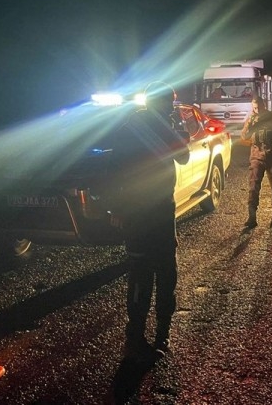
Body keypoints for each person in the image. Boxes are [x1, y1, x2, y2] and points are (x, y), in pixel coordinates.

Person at [113, 81, 190, 364]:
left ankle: (137, 334)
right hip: (156, 210)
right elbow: (183, 156)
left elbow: (115, 169)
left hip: (138, 210)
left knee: (140, 272)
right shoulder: (162, 127)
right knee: (164, 271)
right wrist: (177, 127)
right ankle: (160, 334)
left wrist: (117, 208)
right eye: (170, 103)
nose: (172, 107)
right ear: (165, 103)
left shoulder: (131, 125)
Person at [240, 95, 272, 228]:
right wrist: (251, 125)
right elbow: (244, 136)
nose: (257, 110)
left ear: (264, 105)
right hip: (257, 155)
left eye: (258, 107)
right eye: (254, 108)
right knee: (253, 187)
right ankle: (252, 217)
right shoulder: (251, 119)